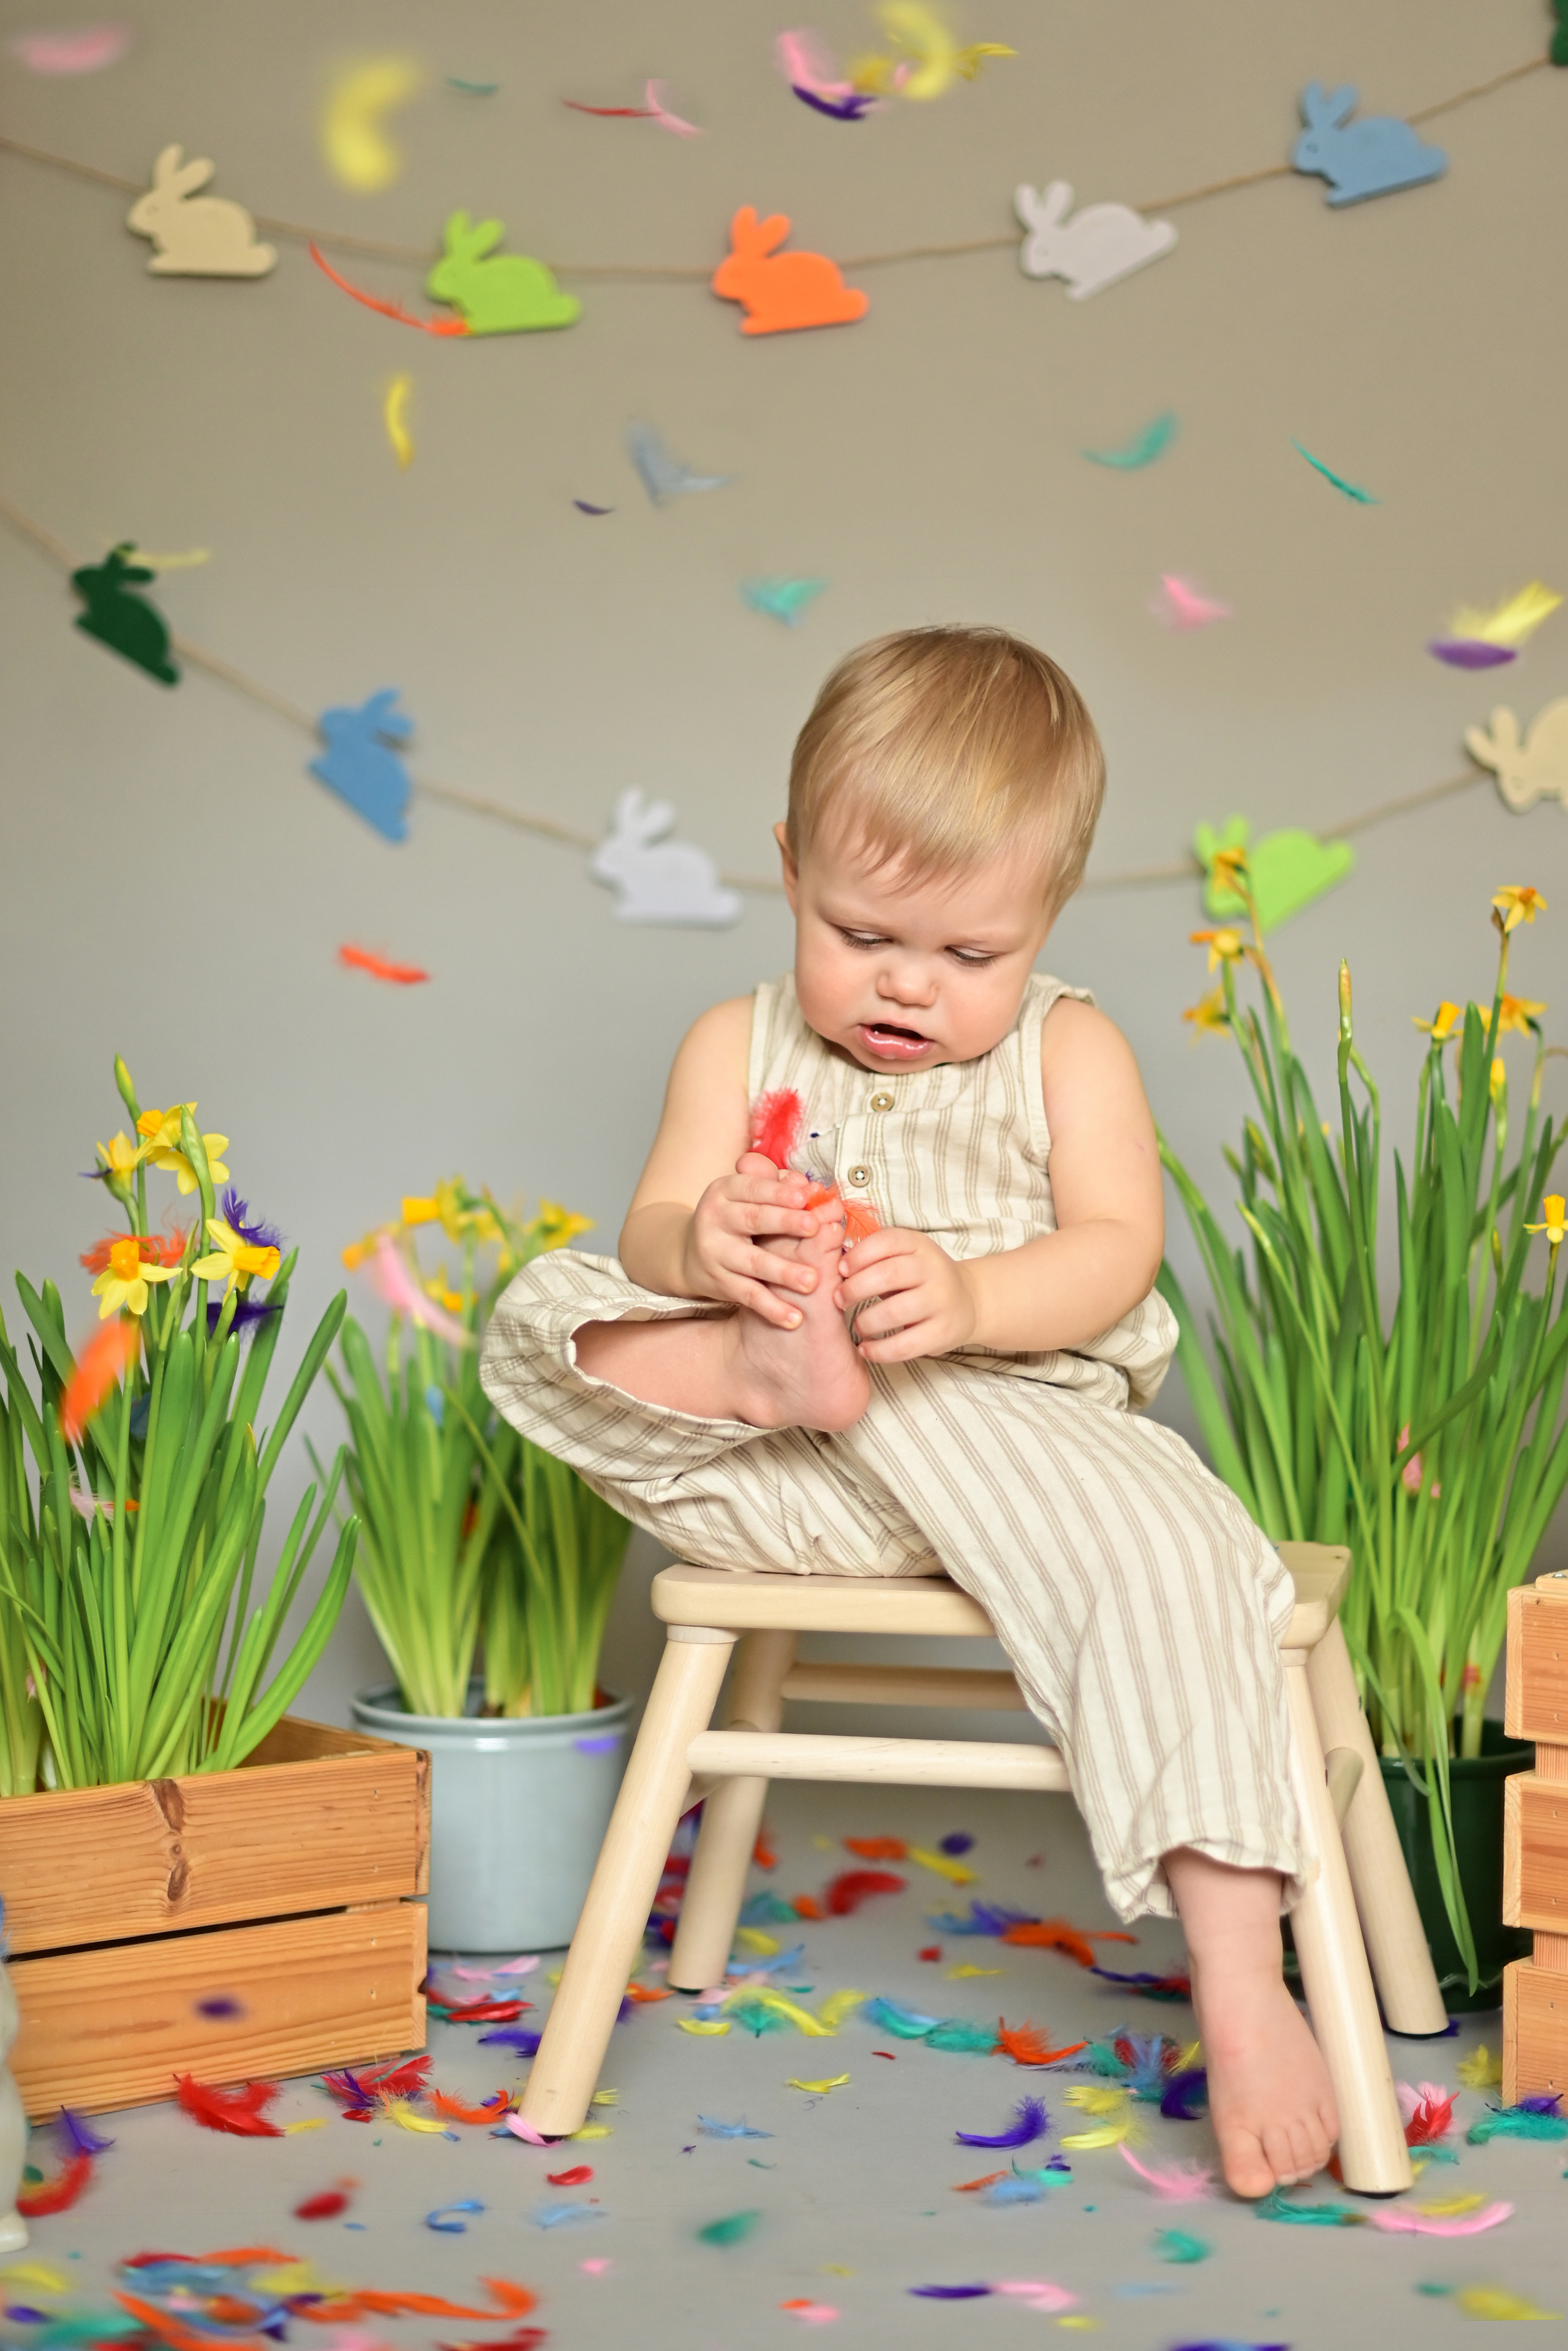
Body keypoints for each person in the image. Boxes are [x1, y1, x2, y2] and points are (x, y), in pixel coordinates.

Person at [481, 624, 1336, 2197]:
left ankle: (1240, 1968)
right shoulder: (728, 1043)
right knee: (542, 1308)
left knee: (1174, 1554)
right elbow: (657, 1223)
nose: (904, 984)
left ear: (1046, 923)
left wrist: (969, 1301)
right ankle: (765, 1364)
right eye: (861, 929)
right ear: (789, 865)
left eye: (968, 956)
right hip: (780, 1465)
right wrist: (705, 1248)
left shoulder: (1070, 1051)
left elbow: (1113, 1252)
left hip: (1017, 1454)